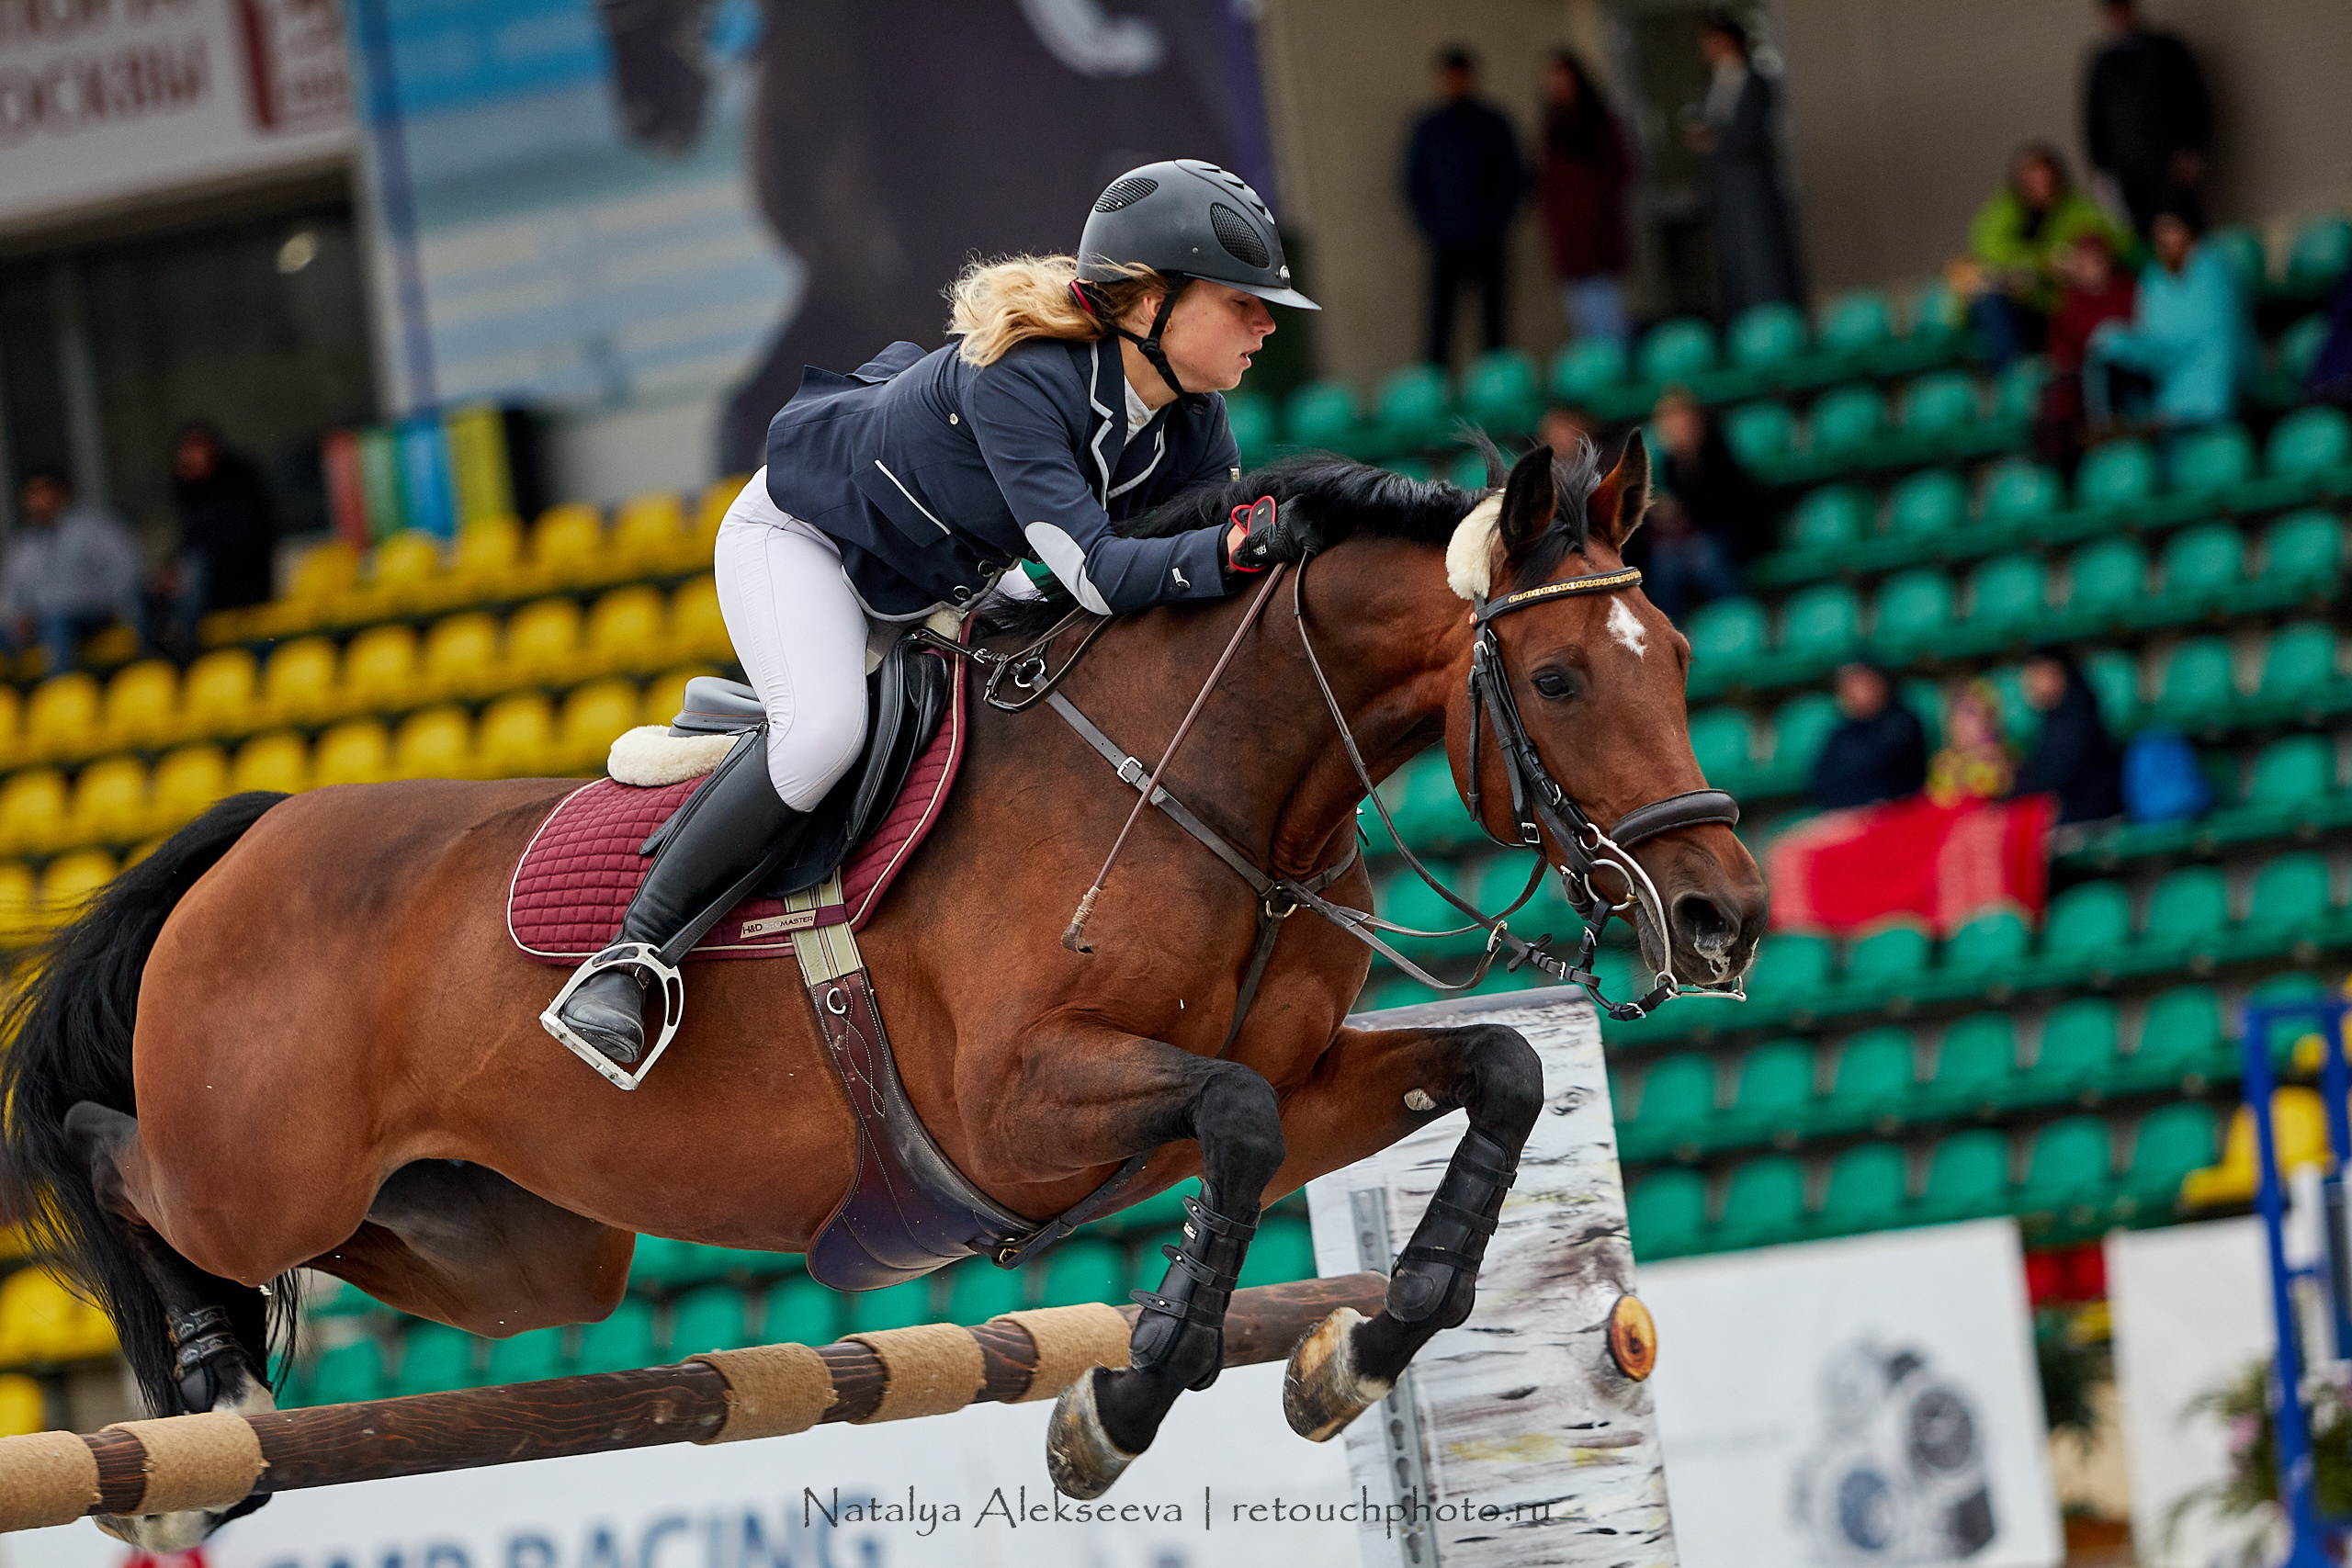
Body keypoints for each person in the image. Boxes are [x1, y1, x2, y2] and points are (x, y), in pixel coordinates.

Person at [546, 159, 1322, 1069]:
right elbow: (1103, 574)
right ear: (1151, 303)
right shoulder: (1026, 376)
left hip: (940, 584)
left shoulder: (1195, 423)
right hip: (806, 543)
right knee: (827, 732)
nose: (1266, 324)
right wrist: (1231, 549)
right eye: (1241, 302)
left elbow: (1165, 586)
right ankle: (629, 959)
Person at [1953, 143, 2130, 370]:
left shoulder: (2078, 210)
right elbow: (1990, 250)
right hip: (2018, 306)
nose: (2041, 191)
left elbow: (2117, 241)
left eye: (2047, 182)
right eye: (2032, 184)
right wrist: (2044, 262)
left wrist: (2081, 257)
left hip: (2059, 304)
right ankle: (2014, 378)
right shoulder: (2002, 211)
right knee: (1989, 300)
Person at [2086, 207, 2257, 432]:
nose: (2166, 239)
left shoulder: (2214, 270)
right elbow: (2155, 345)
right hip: (2170, 402)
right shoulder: (2153, 279)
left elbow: (2209, 341)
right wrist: (2118, 339)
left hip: (2221, 395)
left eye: (2172, 229)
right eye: (2160, 234)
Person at [1406, 46, 1524, 367]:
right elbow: (1415, 184)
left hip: (1487, 236)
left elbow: (1513, 177)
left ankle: (1497, 383)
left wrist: (1496, 220)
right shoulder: (1430, 127)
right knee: (1440, 322)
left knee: (1493, 319)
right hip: (1445, 239)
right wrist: (1433, 225)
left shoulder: (1492, 123)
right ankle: (1437, 387)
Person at [1684, 14, 1803, 319]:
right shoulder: (1711, 84)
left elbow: (1751, 133)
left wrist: (1717, 142)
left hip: (1751, 183)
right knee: (1736, 262)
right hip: (1726, 187)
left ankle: (1776, 321)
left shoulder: (1754, 83)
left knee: (1761, 257)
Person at [2083, 0, 2212, 239]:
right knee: (2142, 237)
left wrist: (2193, 149)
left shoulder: (2167, 48)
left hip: (2170, 166)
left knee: (2184, 232)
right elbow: (2095, 121)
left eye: (2122, 9)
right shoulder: (2103, 63)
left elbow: (2194, 101)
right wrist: (2102, 171)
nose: (2118, 17)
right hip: (2128, 172)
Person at [2, 468, 145, 676]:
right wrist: (17, 618)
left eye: (43, 492)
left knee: (56, 620)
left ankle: (60, 693)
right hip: (41, 622)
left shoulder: (91, 527)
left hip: (92, 612)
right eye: (32, 494)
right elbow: (11, 596)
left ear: (60, 493)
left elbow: (126, 569)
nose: (38, 500)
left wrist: (109, 602)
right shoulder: (23, 546)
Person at [1536, 50, 1633, 352]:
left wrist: (1595, 208)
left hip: (1597, 233)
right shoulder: (1552, 127)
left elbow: (1620, 171)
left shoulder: (1599, 123)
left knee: (1607, 314)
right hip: (1569, 239)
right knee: (1582, 318)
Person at [2030, 232, 2139, 468]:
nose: (2091, 268)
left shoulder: (2127, 292)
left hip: (2125, 376)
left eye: (2096, 261)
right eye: (2084, 262)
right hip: (2080, 381)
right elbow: (2059, 348)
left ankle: (2104, 428)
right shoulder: (2070, 302)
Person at [166, 420, 281, 639]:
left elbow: (247, 539)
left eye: (194, 449)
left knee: (194, 573)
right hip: (208, 582)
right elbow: (188, 540)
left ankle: (189, 650)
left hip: (242, 582)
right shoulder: (189, 495)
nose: (188, 458)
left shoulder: (238, 484)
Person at [1653, 385, 1770, 566]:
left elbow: (1731, 507)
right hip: (1700, 539)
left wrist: (1681, 508)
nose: (1673, 426)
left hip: (1738, 534)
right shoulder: (1670, 464)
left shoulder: (1718, 450)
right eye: (1667, 419)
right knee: (1665, 559)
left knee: (1705, 555)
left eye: (1677, 417)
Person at [2010, 649, 2122, 824]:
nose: (2030, 684)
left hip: (2092, 813)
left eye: (2039, 674)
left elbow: (2055, 776)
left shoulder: (2079, 717)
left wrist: (2010, 784)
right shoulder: (2051, 719)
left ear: (2059, 675)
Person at [1810, 662, 1928, 810]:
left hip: (1897, 811)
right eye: (1846, 687)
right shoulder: (1841, 734)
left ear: (1880, 683)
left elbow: (1892, 775)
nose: (1852, 693)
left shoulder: (1902, 723)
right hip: (1847, 813)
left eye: (1859, 684)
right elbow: (1821, 780)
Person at [1925, 681, 2015, 807]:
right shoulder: (1942, 760)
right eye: (1955, 712)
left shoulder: (1999, 761)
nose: (1960, 721)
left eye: (1970, 713)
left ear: (1989, 720)